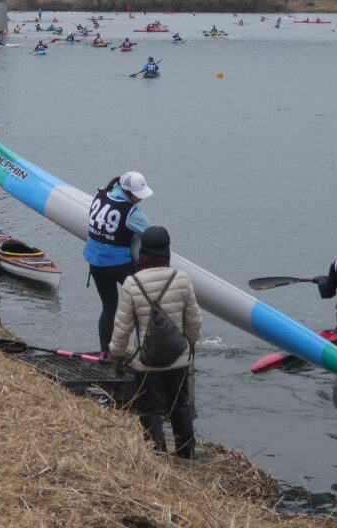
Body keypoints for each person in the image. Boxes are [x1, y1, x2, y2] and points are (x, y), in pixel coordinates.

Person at [109, 226, 201, 458]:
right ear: (167, 251)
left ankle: (157, 455)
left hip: (146, 362)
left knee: (150, 409)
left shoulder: (132, 283)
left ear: (143, 252)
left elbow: (122, 327)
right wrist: (190, 345)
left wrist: (117, 355)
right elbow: (193, 321)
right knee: (180, 406)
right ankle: (186, 452)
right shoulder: (182, 279)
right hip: (177, 359)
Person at [83, 171, 153, 356]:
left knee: (108, 307)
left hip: (95, 263)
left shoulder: (100, 194)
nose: (140, 199)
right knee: (141, 306)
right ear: (128, 192)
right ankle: (143, 354)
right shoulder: (132, 212)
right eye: (138, 194)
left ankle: (105, 353)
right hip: (117, 265)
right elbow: (152, 235)